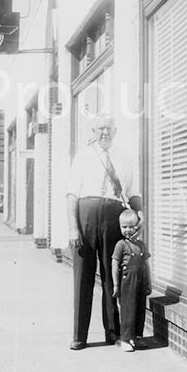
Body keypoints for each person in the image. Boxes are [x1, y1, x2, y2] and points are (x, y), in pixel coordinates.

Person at [66, 114, 143, 350]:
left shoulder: (123, 159)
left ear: (115, 131)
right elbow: (71, 195)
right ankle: (80, 336)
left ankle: (114, 333)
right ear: (93, 131)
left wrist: (140, 214)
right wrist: (73, 228)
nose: (105, 133)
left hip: (113, 216)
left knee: (112, 277)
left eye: (109, 129)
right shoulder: (82, 157)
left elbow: (132, 192)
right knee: (83, 277)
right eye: (100, 129)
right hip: (86, 215)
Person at [111, 209, 152, 352]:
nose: (128, 230)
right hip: (127, 281)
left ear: (138, 226)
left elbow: (146, 265)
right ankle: (125, 339)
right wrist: (116, 285)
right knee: (128, 310)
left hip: (141, 281)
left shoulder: (141, 245)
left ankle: (137, 337)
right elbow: (115, 264)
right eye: (124, 227)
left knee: (140, 309)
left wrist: (149, 283)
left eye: (132, 226)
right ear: (120, 227)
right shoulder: (120, 245)